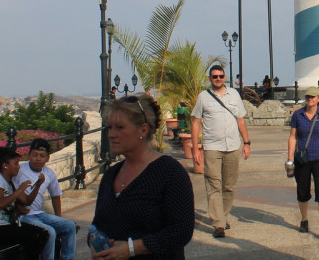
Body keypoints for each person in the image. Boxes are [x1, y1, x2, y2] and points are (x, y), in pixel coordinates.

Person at [92, 93, 194, 258]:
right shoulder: (111, 175)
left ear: (143, 130)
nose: (111, 134)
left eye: (119, 127)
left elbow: (180, 231)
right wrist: (95, 243)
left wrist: (131, 248)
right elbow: (97, 225)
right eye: (109, 127)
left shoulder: (170, 172)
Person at [191, 64, 251, 238]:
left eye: (220, 76)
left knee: (229, 186)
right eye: (214, 76)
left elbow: (240, 120)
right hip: (212, 147)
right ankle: (218, 223)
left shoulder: (234, 94)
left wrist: (246, 143)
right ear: (209, 78)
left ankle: (223, 216)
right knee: (213, 184)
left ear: (225, 77)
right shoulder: (203, 97)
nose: (218, 79)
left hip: (232, 146)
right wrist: (196, 148)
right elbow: (196, 123)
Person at [14, 138, 77, 260]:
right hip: (25, 216)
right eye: (35, 155)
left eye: (42, 156)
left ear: (48, 158)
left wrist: (58, 217)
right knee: (50, 232)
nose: (38, 159)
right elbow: (10, 191)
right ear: (29, 155)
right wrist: (17, 207)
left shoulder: (49, 173)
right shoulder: (20, 171)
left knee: (69, 226)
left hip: (40, 214)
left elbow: (55, 195)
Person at [287, 86, 319, 239]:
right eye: (308, 96)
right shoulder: (297, 115)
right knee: (303, 191)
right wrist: (289, 158)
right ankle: (304, 219)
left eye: (313, 97)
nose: (310, 99)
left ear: (318, 99)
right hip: (302, 158)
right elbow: (292, 137)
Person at [0, 147, 49, 260]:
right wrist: (19, 190)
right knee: (33, 237)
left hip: (6, 225)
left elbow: (27, 201)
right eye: (16, 164)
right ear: (5, 165)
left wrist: (37, 185)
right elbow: (0, 204)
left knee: (42, 234)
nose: (19, 167)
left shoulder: (11, 180)